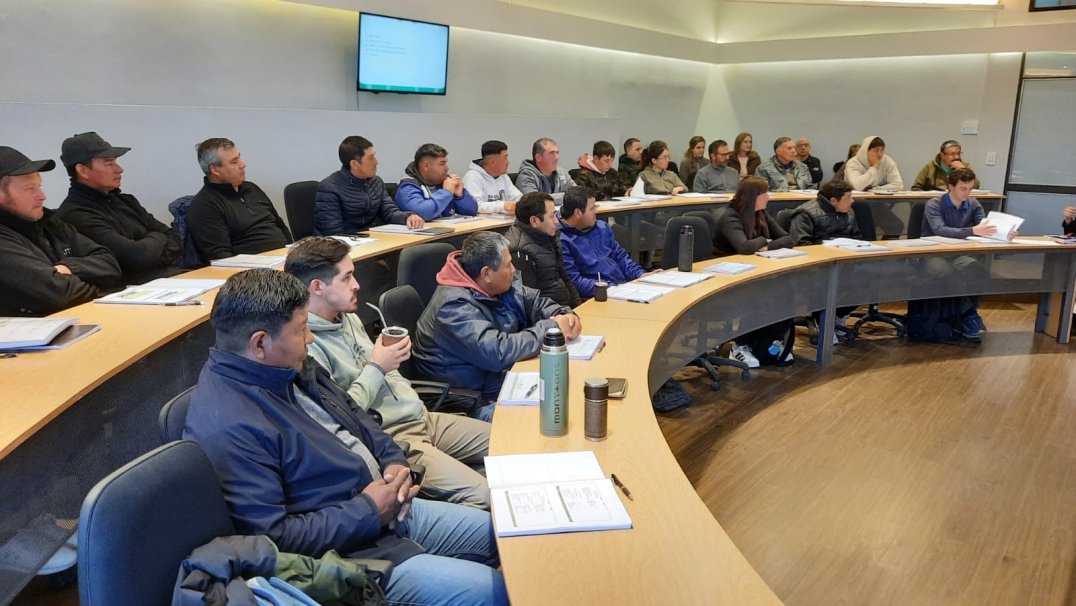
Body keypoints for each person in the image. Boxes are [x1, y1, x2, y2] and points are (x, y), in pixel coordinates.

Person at [183, 269, 506, 605]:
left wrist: (394, 461)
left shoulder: (288, 365)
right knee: (492, 592)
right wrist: (368, 510)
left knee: (508, 537)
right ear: (260, 343)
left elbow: (359, 418)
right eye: (300, 329)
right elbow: (271, 539)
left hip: (388, 510)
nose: (310, 338)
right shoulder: (229, 425)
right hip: (349, 555)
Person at [284, 238, 491, 509]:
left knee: (514, 442)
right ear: (317, 287)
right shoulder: (306, 346)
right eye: (346, 278)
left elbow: (389, 373)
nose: (357, 285)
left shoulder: (347, 317)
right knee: (486, 496)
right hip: (394, 436)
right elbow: (341, 415)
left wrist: (389, 374)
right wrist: (378, 367)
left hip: (421, 416)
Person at [412, 231, 580, 402]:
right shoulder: (452, 307)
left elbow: (536, 303)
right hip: (472, 400)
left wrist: (566, 316)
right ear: (486, 274)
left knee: (569, 389)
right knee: (554, 406)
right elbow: (496, 351)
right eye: (508, 265)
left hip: (498, 380)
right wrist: (551, 329)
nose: (514, 269)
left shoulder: (498, 285)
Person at [0, 146, 122, 316]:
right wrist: (99, 287)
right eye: (30, 189)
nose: (42, 196)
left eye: (39, 186)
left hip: (84, 317)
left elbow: (110, 265)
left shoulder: (49, 222)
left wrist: (68, 268)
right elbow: (60, 294)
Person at [56, 132, 182, 284]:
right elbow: (136, 258)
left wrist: (149, 252)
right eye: (109, 164)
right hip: (133, 293)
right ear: (83, 171)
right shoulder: (76, 214)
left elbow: (175, 238)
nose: (119, 169)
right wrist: (158, 237)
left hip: (172, 280)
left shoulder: (126, 201)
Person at [920, 168, 1011, 340]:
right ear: (950, 187)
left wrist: (1005, 233)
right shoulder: (934, 204)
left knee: (978, 270)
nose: (967, 193)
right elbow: (940, 230)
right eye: (963, 189)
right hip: (933, 252)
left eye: (970, 189)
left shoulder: (974, 204)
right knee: (944, 271)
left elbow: (986, 227)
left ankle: (969, 312)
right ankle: (968, 314)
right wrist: (973, 230)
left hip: (958, 252)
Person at [713, 176, 795, 367]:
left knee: (785, 291)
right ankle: (739, 346)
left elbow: (789, 239)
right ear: (752, 197)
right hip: (726, 276)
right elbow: (744, 247)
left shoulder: (761, 214)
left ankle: (772, 342)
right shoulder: (730, 216)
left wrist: (766, 244)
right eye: (764, 194)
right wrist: (763, 241)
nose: (768, 197)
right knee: (755, 295)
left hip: (753, 271)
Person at [187, 138, 292, 260]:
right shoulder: (205, 205)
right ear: (215, 170)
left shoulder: (252, 188)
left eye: (239, 158)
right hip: (251, 269)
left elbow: (280, 226)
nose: (243, 165)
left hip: (283, 259)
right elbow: (222, 257)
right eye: (234, 162)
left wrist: (290, 255)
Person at [558, 186, 659, 299]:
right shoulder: (562, 240)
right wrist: (610, 288)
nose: (596, 211)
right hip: (599, 296)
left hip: (621, 288)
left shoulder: (601, 227)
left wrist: (640, 274)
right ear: (578, 213)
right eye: (592, 208)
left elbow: (620, 256)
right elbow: (575, 282)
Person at [315, 136, 423, 236]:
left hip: (369, 240)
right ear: (355, 164)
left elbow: (389, 212)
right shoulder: (329, 188)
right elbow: (334, 232)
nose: (376, 162)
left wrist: (407, 217)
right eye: (371, 158)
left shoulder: (376, 182)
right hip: (337, 248)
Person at [505, 192, 581, 308]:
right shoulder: (519, 252)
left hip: (563, 308)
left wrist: (579, 307)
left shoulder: (548, 235)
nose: (557, 221)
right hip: (549, 316)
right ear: (534, 221)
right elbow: (529, 303)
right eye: (552, 216)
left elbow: (564, 278)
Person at [395, 144, 478, 221]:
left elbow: (471, 211)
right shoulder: (407, 186)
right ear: (426, 166)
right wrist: (446, 192)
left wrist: (460, 195)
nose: (447, 168)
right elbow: (422, 214)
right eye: (442, 164)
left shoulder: (444, 181)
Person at [788, 178, 862, 246]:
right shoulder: (804, 214)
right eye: (848, 197)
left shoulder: (849, 211)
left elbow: (856, 237)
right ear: (833, 200)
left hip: (846, 253)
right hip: (818, 255)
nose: (852, 201)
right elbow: (802, 244)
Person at [462, 140, 522, 215]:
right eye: (505, 158)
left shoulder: (503, 177)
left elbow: (518, 198)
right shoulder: (473, 177)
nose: (508, 162)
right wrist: (503, 206)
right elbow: (475, 206)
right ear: (493, 161)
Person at [515, 138, 575, 202]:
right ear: (538, 157)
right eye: (552, 153)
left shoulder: (562, 172)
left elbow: (579, 194)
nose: (557, 157)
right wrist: (567, 197)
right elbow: (534, 201)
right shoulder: (526, 175)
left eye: (557, 153)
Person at [912, 140, 980, 191]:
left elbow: (976, 186)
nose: (957, 157)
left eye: (958, 153)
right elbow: (916, 187)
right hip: (934, 202)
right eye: (952, 154)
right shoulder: (930, 167)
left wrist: (963, 171)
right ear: (942, 155)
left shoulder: (965, 166)